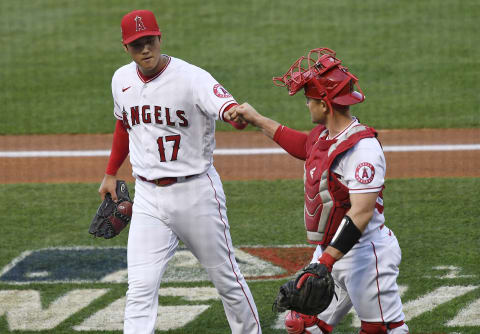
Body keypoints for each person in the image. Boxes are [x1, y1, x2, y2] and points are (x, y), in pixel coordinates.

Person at [98, 9, 261, 334]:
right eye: (136, 45)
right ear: (125, 47)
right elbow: (123, 123)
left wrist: (236, 115)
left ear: (160, 38)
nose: (145, 49)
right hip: (147, 199)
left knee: (227, 279)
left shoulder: (193, 78)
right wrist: (111, 171)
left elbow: (227, 108)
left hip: (196, 195)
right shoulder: (121, 79)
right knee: (140, 287)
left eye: (149, 41)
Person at [225, 48, 409, 334]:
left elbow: (361, 213)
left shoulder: (362, 150)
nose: (307, 105)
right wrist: (257, 119)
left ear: (325, 104)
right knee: (303, 325)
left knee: (381, 330)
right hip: (332, 253)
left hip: (364, 254)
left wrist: (325, 261)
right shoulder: (325, 137)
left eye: (309, 100)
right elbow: (302, 145)